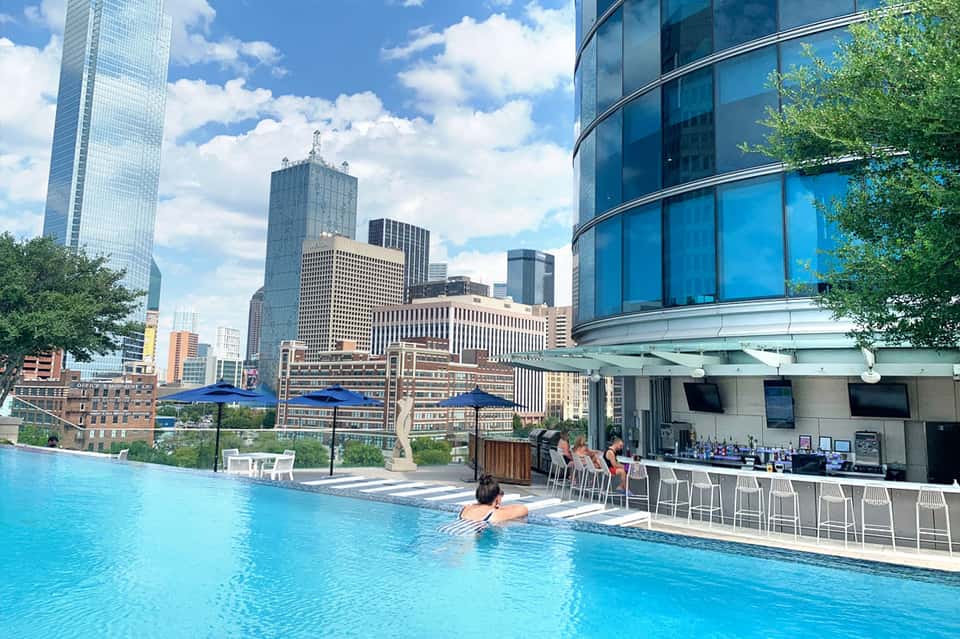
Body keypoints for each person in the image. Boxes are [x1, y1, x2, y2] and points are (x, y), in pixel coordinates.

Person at [439, 474, 528, 536]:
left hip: (444, 530)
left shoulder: (466, 508)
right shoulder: (494, 515)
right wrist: (497, 506)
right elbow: (523, 509)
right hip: (466, 538)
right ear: (497, 497)